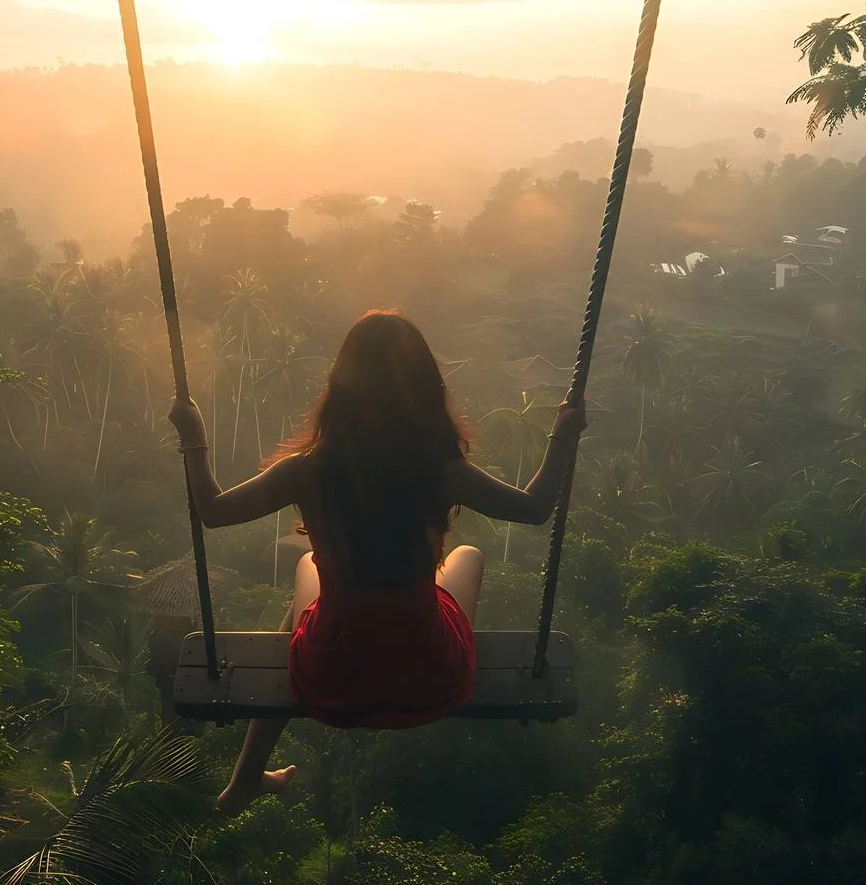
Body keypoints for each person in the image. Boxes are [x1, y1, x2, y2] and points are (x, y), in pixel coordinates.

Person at [167, 310, 586, 815]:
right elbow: (535, 508)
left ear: (340, 388)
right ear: (425, 391)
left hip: (331, 679)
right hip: (430, 678)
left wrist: (193, 434)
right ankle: (411, 607)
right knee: (467, 555)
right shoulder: (442, 471)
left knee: (308, 573)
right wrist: (564, 436)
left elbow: (212, 510)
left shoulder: (307, 470)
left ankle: (246, 779)